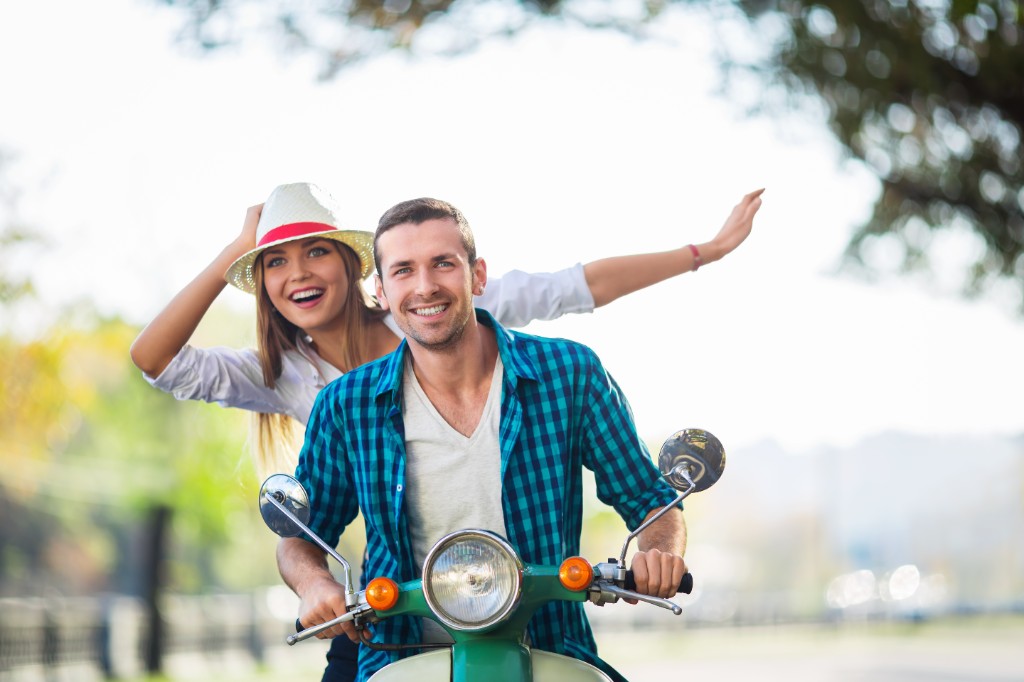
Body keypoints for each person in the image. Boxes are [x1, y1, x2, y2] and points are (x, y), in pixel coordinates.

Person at [276, 197, 697, 682]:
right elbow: (300, 537)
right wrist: (313, 585)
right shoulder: (345, 404)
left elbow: (651, 501)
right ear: (382, 291)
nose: (425, 286)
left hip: (551, 647)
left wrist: (659, 553)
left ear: (477, 276)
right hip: (402, 655)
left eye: (443, 264)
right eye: (404, 271)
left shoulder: (570, 372)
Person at [130, 182, 764, 477]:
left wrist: (703, 251)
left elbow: (579, 284)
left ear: (358, 268)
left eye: (316, 252)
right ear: (263, 283)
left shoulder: (437, 308)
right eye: (274, 262)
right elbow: (155, 359)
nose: (298, 273)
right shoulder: (278, 375)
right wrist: (235, 252)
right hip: (402, 578)